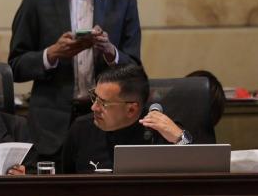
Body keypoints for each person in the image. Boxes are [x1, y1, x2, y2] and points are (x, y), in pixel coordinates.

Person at [8, 0, 141, 168]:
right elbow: (15, 67)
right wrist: (52, 54)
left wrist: (110, 51)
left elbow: (135, 68)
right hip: (50, 128)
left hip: (106, 123)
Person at [62, 64, 193, 173]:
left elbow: (194, 174)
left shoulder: (158, 130)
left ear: (131, 109)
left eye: (103, 103)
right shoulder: (81, 129)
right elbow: (66, 185)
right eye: (94, 97)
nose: (94, 108)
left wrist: (180, 138)